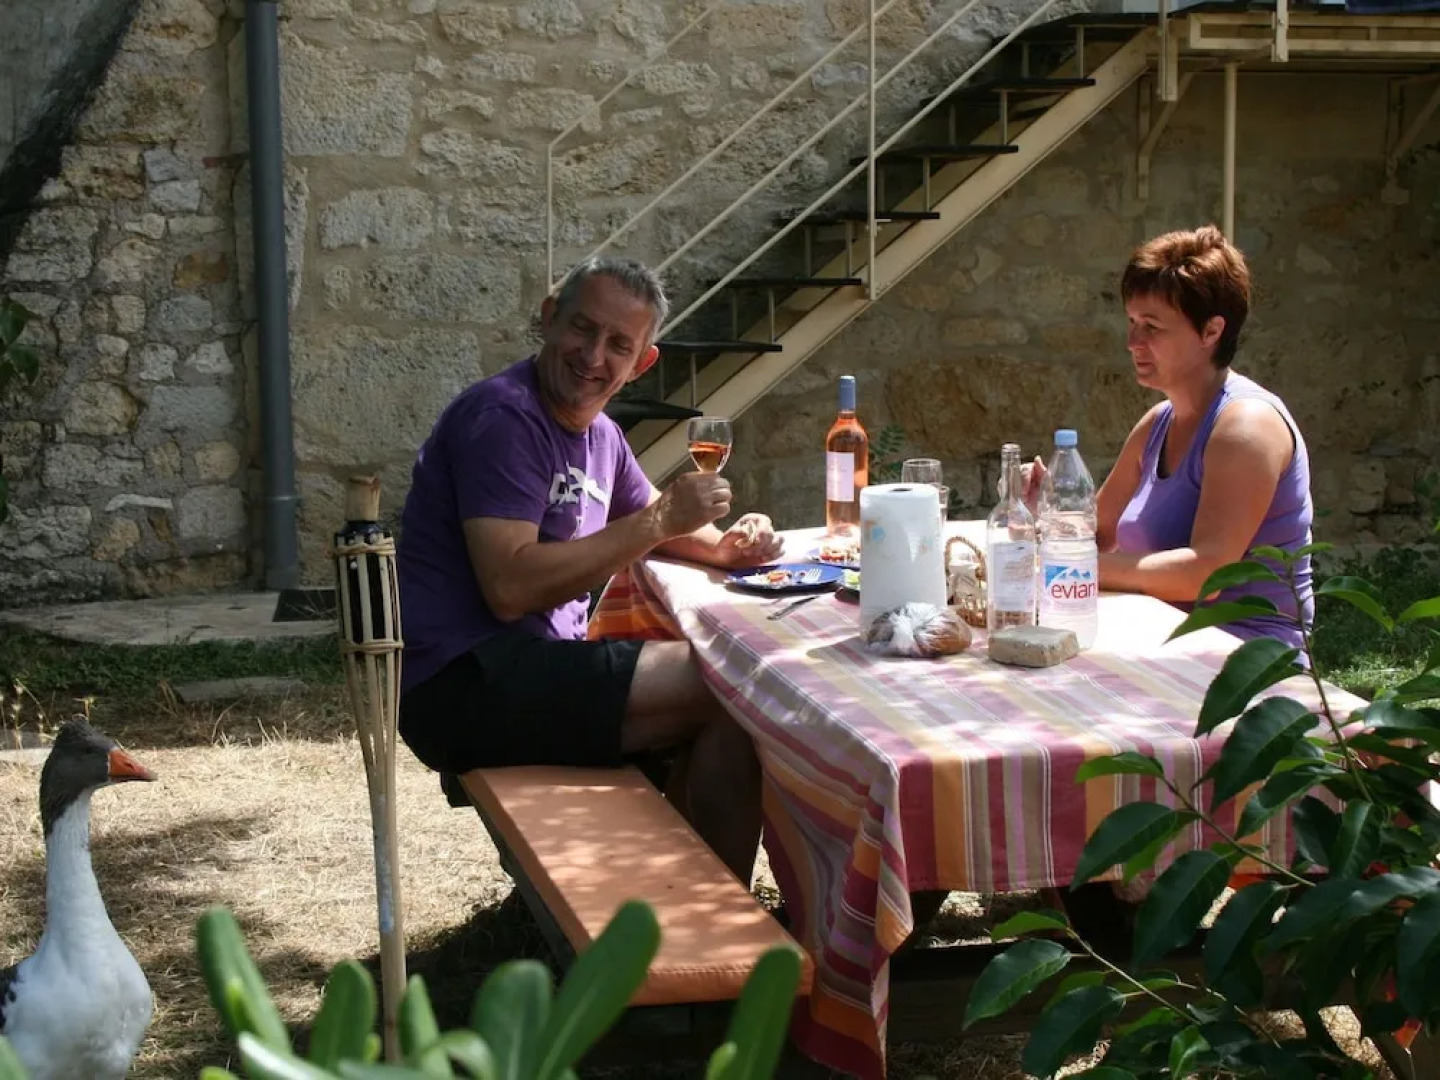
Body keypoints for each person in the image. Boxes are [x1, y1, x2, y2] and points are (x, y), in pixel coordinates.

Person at [395, 256, 783, 883]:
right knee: (729, 685)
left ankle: (681, 910)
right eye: (583, 328)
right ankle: (708, 935)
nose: (593, 355)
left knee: (726, 683)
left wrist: (735, 546)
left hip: (525, 670)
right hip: (462, 684)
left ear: (641, 364)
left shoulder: (601, 435)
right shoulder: (504, 418)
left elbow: (669, 525)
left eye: (618, 345)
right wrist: (661, 523)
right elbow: (510, 588)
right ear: (548, 319)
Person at [1027, 225, 1314, 650]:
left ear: (1211, 331)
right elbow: (1096, 534)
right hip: (1161, 639)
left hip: (1244, 660)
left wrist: (1079, 568)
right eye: (1131, 322)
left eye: (1152, 327)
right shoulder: (1158, 423)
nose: (1132, 342)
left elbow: (1208, 575)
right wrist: (1043, 513)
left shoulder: (1247, 426)